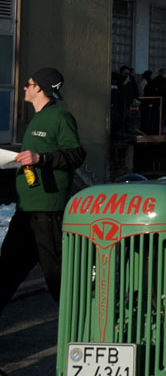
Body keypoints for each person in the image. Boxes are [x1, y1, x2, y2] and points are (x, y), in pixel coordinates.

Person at [0, 68, 85, 316]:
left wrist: (41, 157)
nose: (24, 88)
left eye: (28, 84)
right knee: (6, 272)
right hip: (26, 210)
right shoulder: (36, 119)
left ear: (40, 88)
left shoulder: (60, 117)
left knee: (58, 278)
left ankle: (77, 330)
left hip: (48, 213)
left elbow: (76, 155)